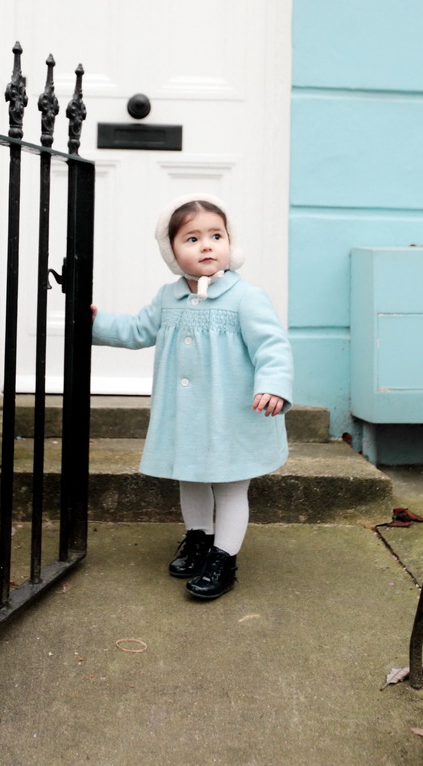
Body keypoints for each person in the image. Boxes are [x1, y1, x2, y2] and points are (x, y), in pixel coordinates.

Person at [91, 193, 293, 600]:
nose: (206, 245)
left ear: (230, 244)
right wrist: (95, 324)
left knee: (232, 486)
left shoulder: (245, 297)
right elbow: (136, 329)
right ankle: (199, 538)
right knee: (191, 477)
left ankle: (224, 558)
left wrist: (273, 384)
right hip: (186, 415)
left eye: (216, 235)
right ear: (171, 251)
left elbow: (272, 346)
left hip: (234, 413)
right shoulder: (169, 297)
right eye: (192, 238)